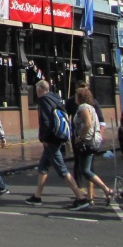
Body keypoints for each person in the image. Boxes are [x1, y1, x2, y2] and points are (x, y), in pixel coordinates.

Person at [25, 80, 91, 209]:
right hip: (58, 136)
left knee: (62, 170)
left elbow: (46, 122)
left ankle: (80, 198)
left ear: (39, 90)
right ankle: (37, 197)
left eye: (36, 89)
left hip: (51, 140)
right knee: (43, 167)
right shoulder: (56, 99)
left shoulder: (43, 101)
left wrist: (44, 138)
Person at [72, 85, 114, 205]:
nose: (75, 98)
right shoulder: (91, 107)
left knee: (85, 170)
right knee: (87, 168)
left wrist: (80, 137)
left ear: (80, 97)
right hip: (92, 140)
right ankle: (91, 196)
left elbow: (88, 123)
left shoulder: (83, 107)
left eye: (76, 95)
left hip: (87, 141)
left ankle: (107, 190)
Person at [64, 80, 105, 187]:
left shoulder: (85, 106)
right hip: (83, 137)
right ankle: (83, 189)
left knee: (86, 168)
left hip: (86, 139)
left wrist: (81, 137)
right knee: (81, 164)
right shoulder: (72, 102)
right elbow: (66, 117)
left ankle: (104, 189)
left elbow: (91, 123)